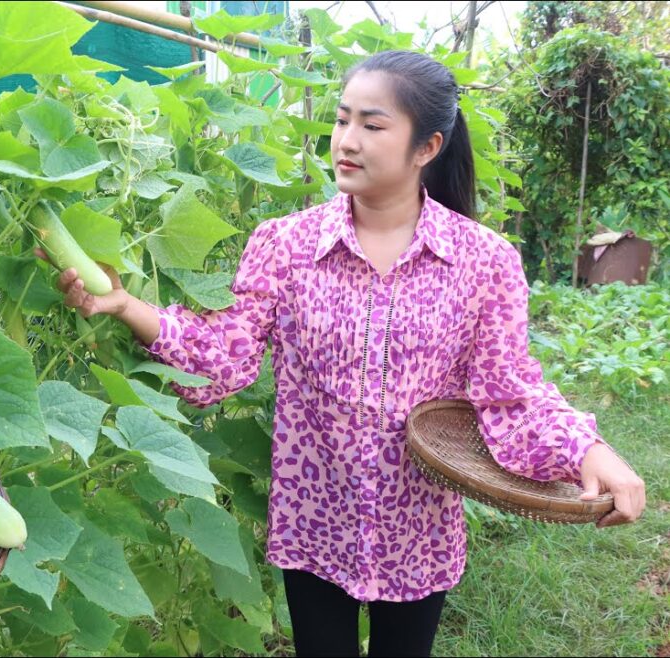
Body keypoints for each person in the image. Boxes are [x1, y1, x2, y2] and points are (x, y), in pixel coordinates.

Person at [40, 50, 646, 657]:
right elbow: (225, 352)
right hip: (314, 516)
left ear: (427, 148)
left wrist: (591, 449)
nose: (346, 141)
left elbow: (508, 390)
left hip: (419, 528)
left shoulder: (484, 261)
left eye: (373, 125)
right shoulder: (286, 244)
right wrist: (126, 306)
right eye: (341, 120)